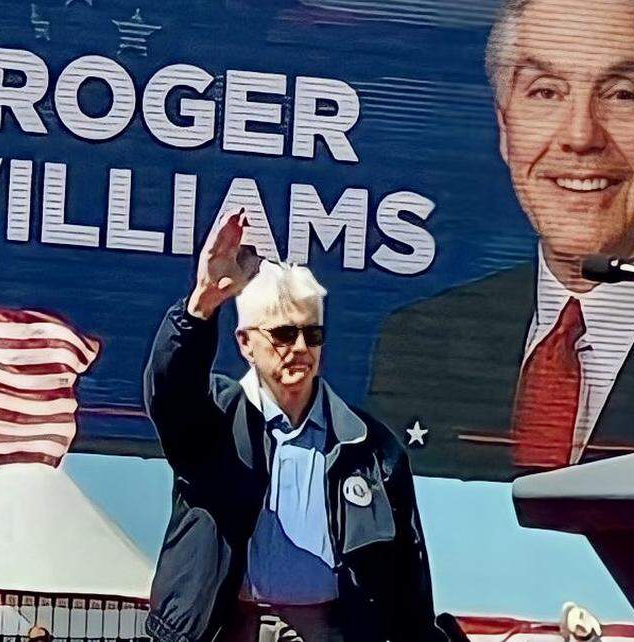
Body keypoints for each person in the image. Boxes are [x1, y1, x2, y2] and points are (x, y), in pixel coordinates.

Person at [368, 0, 634, 481]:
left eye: (622, 95)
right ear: (506, 129)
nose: (580, 136)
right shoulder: (419, 343)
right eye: (546, 92)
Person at [144, 210, 445, 642]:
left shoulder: (370, 447)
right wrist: (203, 303)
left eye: (312, 334)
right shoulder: (214, 421)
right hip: (228, 627)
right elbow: (169, 394)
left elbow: (408, 577)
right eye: (283, 334)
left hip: (330, 628)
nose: (300, 348)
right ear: (246, 342)